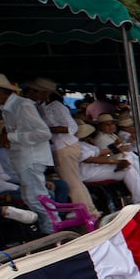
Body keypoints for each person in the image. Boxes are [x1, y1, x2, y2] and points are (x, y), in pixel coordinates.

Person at [0, 72, 53, 233]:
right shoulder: (9, 108)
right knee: (32, 199)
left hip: (31, 159)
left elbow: (43, 133)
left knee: (37, 199)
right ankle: (49, 230)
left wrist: (9, 136)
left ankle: (52, 232)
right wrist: (6, 139)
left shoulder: (22, 105)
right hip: (24, 159)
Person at [23, 77, 100, 218]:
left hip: (65, 146)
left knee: (72, 182)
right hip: (62, 147)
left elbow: (71, 127)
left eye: (35, 91)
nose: (32, 93)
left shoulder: (56, 107)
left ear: (43, 92)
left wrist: (47, 129)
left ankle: (85, 212)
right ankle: (88, 209)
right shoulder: (42, 107)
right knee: (74, 181)